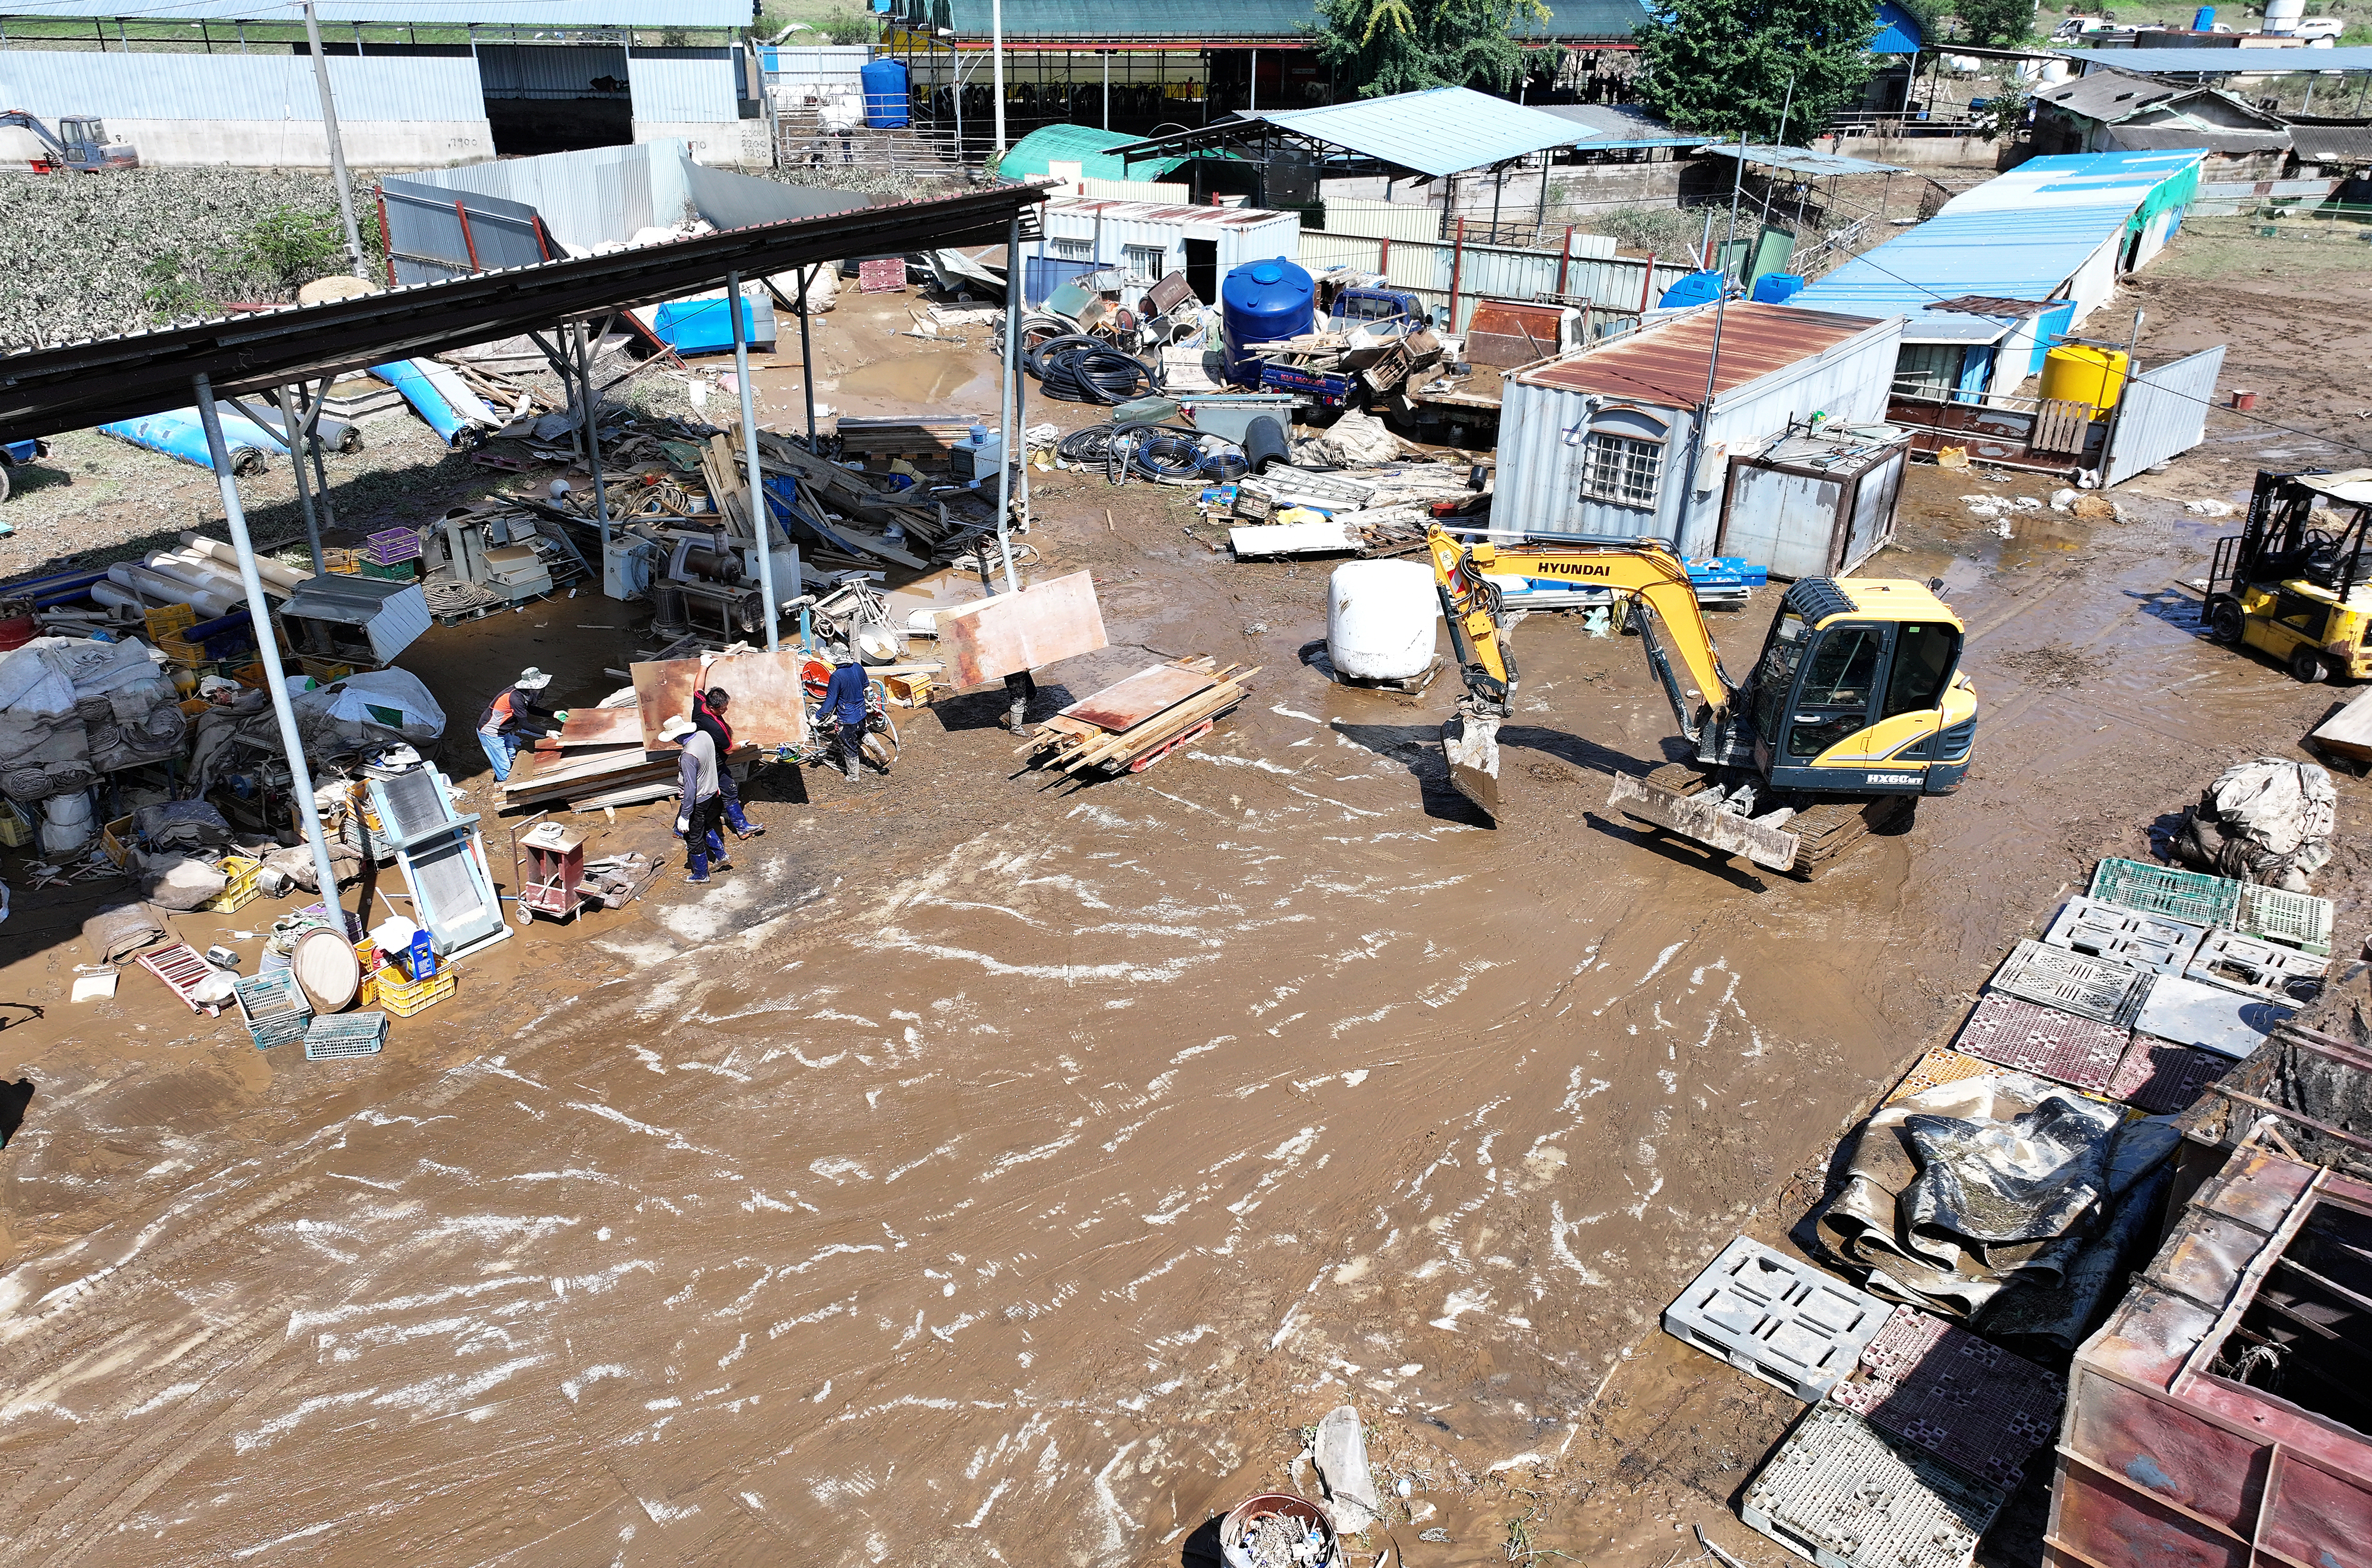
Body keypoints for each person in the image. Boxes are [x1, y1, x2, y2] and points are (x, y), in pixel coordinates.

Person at [660, 713, 732, 883]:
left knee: (693, 837)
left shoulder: (688, 757)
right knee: (702, 824)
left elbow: (690, 788)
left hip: (698, 799)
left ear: (677, 737)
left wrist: (685, 816)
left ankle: (701, 874)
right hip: (712, 792)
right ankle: (721, 855)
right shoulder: (704, 736)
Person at [691, 685, 764, 839]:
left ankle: (680, 828)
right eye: (722, 709)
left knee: (700, 794)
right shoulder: (716, 727)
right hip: (714, 764)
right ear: (712, 708)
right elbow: (729, 750)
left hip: (701, 758)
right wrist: (742, 745)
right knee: (728, 792)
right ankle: (742, 827)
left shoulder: (700, 704)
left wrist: (704, 665)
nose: (725, 711)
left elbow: (697, 687)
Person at [476, 666, 554, 785]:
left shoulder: (523, 694)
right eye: (538, 689)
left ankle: (509, 776)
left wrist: (553, 714)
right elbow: (525, 725)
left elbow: (531, 709)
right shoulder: (515, 698)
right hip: (491, 733)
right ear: (530, 688)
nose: (539, 691)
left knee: (511, 755)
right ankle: (504, 786)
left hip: (503, 730)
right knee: (503, 765)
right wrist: (548, 733)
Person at [821, 647, 871, 784]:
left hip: (847, 718)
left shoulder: (837, 676)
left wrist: (818, 716)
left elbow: (830, 702)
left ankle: (853, 776)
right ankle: (882, 755)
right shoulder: (858, 667)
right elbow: (866, 684)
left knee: (849, 746)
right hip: (861, 713)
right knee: (863, 733)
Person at [1000, 669, 1038, 734]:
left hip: (1021, 670)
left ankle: (1009, 716)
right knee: (1019, 700)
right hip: (1013, 672)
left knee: (1031, 692)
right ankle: (1016, 729)